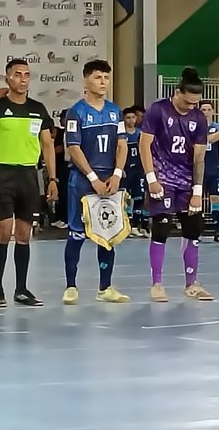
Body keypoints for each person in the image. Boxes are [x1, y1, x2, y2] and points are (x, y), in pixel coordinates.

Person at [0, 58, 58, 307]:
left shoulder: (38, 109)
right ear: (7, 79)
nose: (22, 79)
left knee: (24, 234)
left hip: (28, 177)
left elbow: (47, 145)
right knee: (3, 231)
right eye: (17, 75)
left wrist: (52, 178)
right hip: (3, 175)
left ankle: (21, 289)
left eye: (26, 75)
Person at [138, 68, 213, 303]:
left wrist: (198, 192)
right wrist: (152, 179)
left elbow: (199, 157)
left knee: (193, 230)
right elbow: (144, 146)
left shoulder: (199, 118)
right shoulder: (158, 110)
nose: (191, 106)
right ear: (177, 92)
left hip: (186, 182)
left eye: (195, 103)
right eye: (187, 102)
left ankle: (192, 284)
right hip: (163, 179)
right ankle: (157, 284)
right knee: (161, 227)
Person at [60, 60, 130, 305]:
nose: (103, 82)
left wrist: (117, 174)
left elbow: (122, 144)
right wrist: (93, 178)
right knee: (76, 234)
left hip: (110, 180)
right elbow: (74, 147)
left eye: (106, 78)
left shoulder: (115, 111)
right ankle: (71, 286)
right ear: (86, 80)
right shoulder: (76, 112)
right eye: (98, 77)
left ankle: (105, 286)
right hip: (83, 180)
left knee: (107, 234)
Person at [201, 101, 219, 245]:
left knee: (215, 200)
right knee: (196, 201)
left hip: (214, 169)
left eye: (208, 109)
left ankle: (218, 229)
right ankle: (196, 231)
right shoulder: (196, 128)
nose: (206, 112)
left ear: (213, 111)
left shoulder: (218, 127)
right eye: (203, 109)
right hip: (198, 170)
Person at [121, 106, 148, 238]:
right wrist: (119, 168)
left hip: (138, 169)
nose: (131, 120)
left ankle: (135, 225)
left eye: (133, 117)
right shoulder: (121, 135)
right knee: (124, 198)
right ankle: (125, 226)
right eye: (128, 117)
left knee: (139, 197)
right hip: (125, 170)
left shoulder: (140, 134)